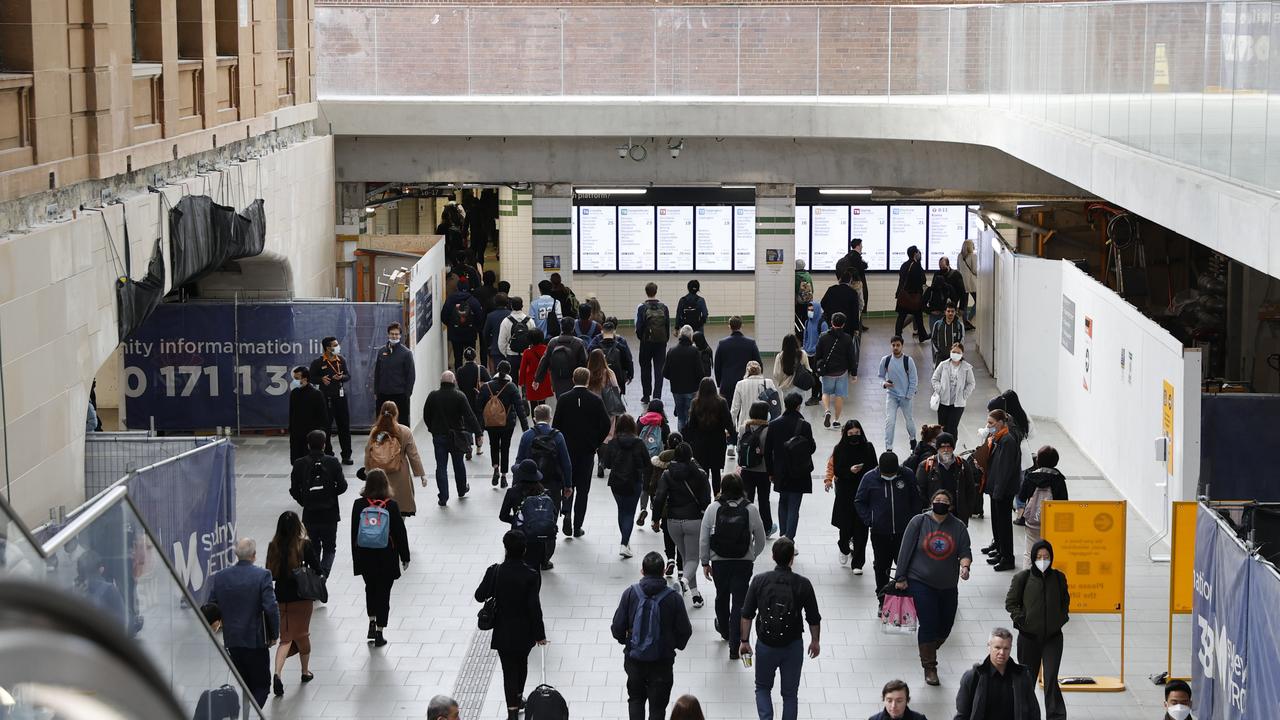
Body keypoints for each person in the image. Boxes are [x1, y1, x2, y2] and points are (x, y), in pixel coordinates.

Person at [894, 489, 973, 686]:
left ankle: (927, 647)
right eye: (937, 500)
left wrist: (965, 567)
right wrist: (900, 576)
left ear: (951, 506)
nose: (940, 503)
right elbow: (905, 549)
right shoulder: (919, 522)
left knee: (945, 627)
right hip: (920, 581)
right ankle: (930, 667)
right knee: (928, 624)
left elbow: (965, 551)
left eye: (944, 501)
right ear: (931, 502)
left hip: (948, 584)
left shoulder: (958, 527)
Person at [740, 537, 821, 720]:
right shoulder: (803, 584)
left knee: (762, 687)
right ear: (792, 558)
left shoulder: (759, 581)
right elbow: (813, 618)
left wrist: (744, 641)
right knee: (790, 694)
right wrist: (815, 641)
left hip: (766, 645)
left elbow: (747, 614)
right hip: (792, 645)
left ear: (773, 556)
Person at [610, 551, 693, 720]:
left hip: (635, 660)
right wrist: (673, 644)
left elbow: (617, 627)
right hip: (662, 662)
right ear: (663, 571)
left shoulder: (630, 593)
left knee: (636, 700)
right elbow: (685, 630)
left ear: (642, 571)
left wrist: (626, 641)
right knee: (657, 708)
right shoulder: (674, 598)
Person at [475, 530, 547, 720]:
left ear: (505, 549)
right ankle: (518, 697)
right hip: (525, 632)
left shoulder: (495, 571)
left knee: (508, 671)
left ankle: (512, 713)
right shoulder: (531, 575)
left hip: (503, 630)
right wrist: (540, 635)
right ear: (524, 550)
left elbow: (479, 595)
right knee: (521, 665)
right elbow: (534, 608)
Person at [699, 472, 767, 658]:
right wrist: (751, 554)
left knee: (721, 597)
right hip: (743, 563)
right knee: (739, 602)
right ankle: (735, 645)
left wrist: (705, 561)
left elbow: (704, 538)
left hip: (719, 562)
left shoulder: (713, 508)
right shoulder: (750, 509)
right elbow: (760, 539)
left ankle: (725, 631)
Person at [206, 538, 279, 707]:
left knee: (244, 685)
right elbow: (271, 607)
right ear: (253, 555)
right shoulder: (263, 576)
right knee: (261, 686)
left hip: (232, 640)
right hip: (256, 641)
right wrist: (274, 633)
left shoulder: (221, 577)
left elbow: (212, 606)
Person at [1005, 539, 1069, 720]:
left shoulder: (1058, 578)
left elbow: (1065, 601)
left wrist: (1061, 619)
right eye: (1039, 556)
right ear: (1033, 558)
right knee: (1027, 680)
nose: (1043, 560)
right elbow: (1011, 603)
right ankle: (1025, 715)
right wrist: (1021, 620)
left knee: (1051, 678)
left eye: (1046, 556)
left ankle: (1056, 715)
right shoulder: (1022, 578)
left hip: (1053, 638)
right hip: (1028, 639)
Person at [351, 469, 410, 647]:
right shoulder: (391, 505)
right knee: (384, 594)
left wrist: (356, 559)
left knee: (370, 588)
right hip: (387, 556)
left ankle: (371, 620)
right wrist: (405, 557)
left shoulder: (359, 504)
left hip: (365, 555)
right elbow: (400, 533)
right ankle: (379, 632)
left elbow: (354, 533)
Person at [265, 511, 319, 696]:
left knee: (289, 636)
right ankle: (296, 672)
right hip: (302, 598)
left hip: (281, 597)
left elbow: (269, 572)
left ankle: (289, 672)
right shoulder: (304, 545)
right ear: (298, 526)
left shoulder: (273, 546)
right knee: (299, 635)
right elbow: (317, 568)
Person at [652, 443, 712, 607]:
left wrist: (656, 519)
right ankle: (683, 583)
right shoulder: (700, 474)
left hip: (672, 522)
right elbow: (707, 501)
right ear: (691, 456)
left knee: (686, 558)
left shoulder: (667, 474)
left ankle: (695, 595)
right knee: (693, 559)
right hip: (693, 521)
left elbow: (659, 498)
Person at [855, 452, 923, 595]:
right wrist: (870, 520)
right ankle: (882, 598)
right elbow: (859, 501)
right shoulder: (869, 478)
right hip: (880, 533)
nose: (889, 476)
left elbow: (916, 499)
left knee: (906, 566)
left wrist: (914, 520)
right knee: (881, 567)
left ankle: (905, 598)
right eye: (886, 474)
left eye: (892, 473)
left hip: (904, 532)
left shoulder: (907, 474)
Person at [554, 367, 611, 537]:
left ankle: (566, 512)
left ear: (573, 379)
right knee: (583, 491)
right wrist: (596, 442)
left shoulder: (564, 399)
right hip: (587, 451)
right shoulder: (595, 400)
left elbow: (556, 425)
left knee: (567, 484)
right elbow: (606, 424)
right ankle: (577, 525)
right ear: (587, 381)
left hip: (567, 451)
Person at [288, 429, 348, 577]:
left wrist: (304, 501)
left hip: (310, 514)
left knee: (312, 548)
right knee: (329, 549)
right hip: (330, 514)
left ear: (308, 445)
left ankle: (315, 576)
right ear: (324, 444)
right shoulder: (332, 462)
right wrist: (331, 495)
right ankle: (323, 575)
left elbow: (294, 490)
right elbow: (343, 486)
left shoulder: (299, 464)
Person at [422, 371, 482, 507]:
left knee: (441, 467)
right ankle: (461, 490)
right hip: (457, 436)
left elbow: (426, 415)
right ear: (454, 381)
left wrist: (432, 429)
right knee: (458, 464)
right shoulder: (459, 396)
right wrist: (478, 432)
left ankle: (443, 497)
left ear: (441, 381)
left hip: (439, 436)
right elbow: (470, 416)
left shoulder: (433, 396)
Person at [825, 420, 877, 574]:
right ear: (845, 434)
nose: (854, 436)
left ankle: (858, 563)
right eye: (851, 434)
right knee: (845, 526)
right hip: (845, 494)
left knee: (862, 528)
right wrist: (849, 471)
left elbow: (874, 467)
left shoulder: (868, 447)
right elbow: (837, 470)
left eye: (857, 433)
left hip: (864, 493)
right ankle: (844, 546)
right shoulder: (839, 449)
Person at [955, 628, 1041, 720]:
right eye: (997, 647)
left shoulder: (1022, 675)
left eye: (1006, 648)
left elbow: (1034, 711)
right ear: (989, 646)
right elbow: (962, 714)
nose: (1002, 653)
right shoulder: (972, 677)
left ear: (1011, 648)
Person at [516, 404, 574, 540]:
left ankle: (532, 537)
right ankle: (548, 540)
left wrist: (517, 483)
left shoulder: (527, 435)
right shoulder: (558, 436)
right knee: (552, 513)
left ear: (534, 418)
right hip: (553, 482)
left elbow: (519, 461)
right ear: (550, 417)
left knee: (529, 512)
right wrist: (568, 485)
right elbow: (566, 463)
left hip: (531, 483)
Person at [763, 392, 816, 541]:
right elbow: (811, 448)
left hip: (780, 471)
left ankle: (782, 535)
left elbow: (767, 451)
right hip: (799, 471)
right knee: (794, 506)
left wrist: (770, 471)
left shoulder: (774, 424)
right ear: (799, 406)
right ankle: (789, 539)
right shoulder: (804, 425)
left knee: (783, 502)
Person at [601, 413, 653, 557]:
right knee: (630, 512)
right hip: (634, 481)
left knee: (622, 510)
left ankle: (625, 540)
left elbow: (607, 464)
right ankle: (624, 543)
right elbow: (647, 464)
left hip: (616, 481)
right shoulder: (639, 443)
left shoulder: (613, 443)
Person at [477, 361, 529, 489]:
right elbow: (520, 409)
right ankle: (504, 476)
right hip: (507, 423)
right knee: (505, 447)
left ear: (496, 370)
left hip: (491, 423)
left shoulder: (486, 387)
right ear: (509, 372)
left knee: (493, 445)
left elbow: (478, 408)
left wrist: (480, 429)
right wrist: (525, 429)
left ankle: (495, 468)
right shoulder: (511, 387)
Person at [982, 409, 1023, 572]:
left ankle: (1007, 557)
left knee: (1004, 524)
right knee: (998, 522)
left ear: (1001, 423)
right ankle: (1000, 551)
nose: (988, 426)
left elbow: (1004, 469)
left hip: (1003, 491)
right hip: (996, 488)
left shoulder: (1007, 441)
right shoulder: (999, 438)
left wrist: (998, 490)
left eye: (991, 423)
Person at [500, 459, 559, 571]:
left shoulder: (512, 492)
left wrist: (517, 520)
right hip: (537, 538)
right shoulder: (544, 493)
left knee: (517, 568)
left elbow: (503, 516)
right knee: (535, 570)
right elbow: (553, 515)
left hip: (518, 537)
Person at [1016, 447, 1069, 566]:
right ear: (1056, 461)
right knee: (1050, 552)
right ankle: (1047, 579)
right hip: (1052, 523)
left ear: (1038, 460)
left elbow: (1021, 497)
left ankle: (1028, 580)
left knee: (1029, 552)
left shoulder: (1031, 477)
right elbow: (1064, 503)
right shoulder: (1059, 479)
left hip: (1033, 521)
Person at [684, 377, 736, 494]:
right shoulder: (721, 402)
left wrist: (690, 441)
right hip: (717, 443)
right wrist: (734, 437)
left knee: (703, 472)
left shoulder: (696, 403)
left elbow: (691, 425)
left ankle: (704, 497)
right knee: (716, 472)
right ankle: (717, 496)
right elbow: (728, 423)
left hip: (700, 443)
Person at [917, 434, 978, 524]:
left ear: (953, 448)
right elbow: (920, 492)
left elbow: (970, 489)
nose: (945, 450)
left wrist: (967, 511)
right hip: (934, 515)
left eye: (948, 446)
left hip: (957, 515)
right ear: (937, 448)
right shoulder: (926, 466)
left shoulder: (962, 465)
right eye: (942, 447)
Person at [814, 312, 860, 431]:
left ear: (831, 322)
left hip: (827, 372)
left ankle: (827, 410)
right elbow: (852, 357)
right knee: (839, 396)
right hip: (841, 372)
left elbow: (817, 354)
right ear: (843, 324)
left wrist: (816, 368)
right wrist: (854, 373)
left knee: (826, 392)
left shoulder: (823, 337)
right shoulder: (847, 338)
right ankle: (836, 420)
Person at [309, 336, 352, 464]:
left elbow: (348, 376)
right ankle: (328, 454)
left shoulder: (341, 360)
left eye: (337, 344)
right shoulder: (318, 362)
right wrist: (321, 379)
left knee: (344, 426)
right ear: (327, 348)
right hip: (325, 399)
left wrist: (342, 377)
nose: (337, 346)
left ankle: (346, 455)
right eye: (335, 345)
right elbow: (311, 377)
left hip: (341, 397)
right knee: (325, 428)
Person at [737, 400, 775, 537]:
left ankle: (745, 526)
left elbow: (739, 448)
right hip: (763, 471)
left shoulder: (743, 428)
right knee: (764, 500)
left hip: (746, 470)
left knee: (747, 500)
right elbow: (771, 453)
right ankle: (767, 528)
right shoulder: (769, 430)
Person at [878, 336, 920, 452]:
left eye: (898, 345)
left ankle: (912, 440)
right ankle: (889, 448)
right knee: (890, 421)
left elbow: (913, 379)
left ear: (902, 346)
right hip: (891, 396)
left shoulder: (908, 361)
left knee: (909, 420)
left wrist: (909, 395)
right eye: (893, 345)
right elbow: (880, 376)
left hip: (906, 397)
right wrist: (884, 383)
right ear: (890, 345)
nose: (895, 347)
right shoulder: (885, 360)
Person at [635, 282, 672, 404]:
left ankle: (646, 395)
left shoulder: (642, 308)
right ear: (656, 291)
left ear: (646, 292)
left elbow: (639, 326)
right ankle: (657, 396)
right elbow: (667, 325)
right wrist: (665, 339)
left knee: (645, 368)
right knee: (659, 368)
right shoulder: (664, 307)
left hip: (646, 342)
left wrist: (642, 338)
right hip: (661, 342)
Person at [536, 317, 590, 400]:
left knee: (561, 400)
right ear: (573, 327)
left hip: (557, 378)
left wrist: (537, 379)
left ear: (561, 327)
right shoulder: (578, 343)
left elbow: (545, 361)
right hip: (573, 379)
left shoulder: (553, 342)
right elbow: (584, 362)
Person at [714, 316, 762, 407]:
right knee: (744, 410)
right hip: (746, 382)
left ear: (729, 326)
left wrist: (719, 383)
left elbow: (717, 366)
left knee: (728, 413)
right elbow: (759, 364)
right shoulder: (750, 343)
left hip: (727, 384)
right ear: (741, 326)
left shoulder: (722, 344)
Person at [373, 322, 415, 425]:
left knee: (402, 423)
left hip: (400, 395)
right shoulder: (381, 351)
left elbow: (411, 375)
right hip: (383, 394)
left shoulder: (406, 353)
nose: (394, 336)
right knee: (382, 422)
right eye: (392, 334)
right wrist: (376, 391)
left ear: (400, 335)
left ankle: (401, 441)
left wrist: (407, 394)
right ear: (388, 334)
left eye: (396, 334)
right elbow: (377, 372)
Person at [663, 325, 703, 431]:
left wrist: (675, 378)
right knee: (691, 416)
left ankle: (681, 440)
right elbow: (700, 373)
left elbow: (665, 372)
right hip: (691, 389)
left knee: (681, 417)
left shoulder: (671, 351)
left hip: (677, 390)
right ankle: (690, 439)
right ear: (691, 337)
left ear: (680, 335)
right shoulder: (694, 352)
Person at [931, 342, 976, 438]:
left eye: (958, 352)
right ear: (950, 352)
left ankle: (951, 448)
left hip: (958, 404)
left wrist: (965, 395)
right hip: (943, 402)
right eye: (953, 351)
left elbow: (971, 383)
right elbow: (934, 378)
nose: (955, 354)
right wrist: (940, 390)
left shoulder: (966, 367)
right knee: (942, 427)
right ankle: (942, 447)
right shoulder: (943, 365)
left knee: (952, 427)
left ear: (962, 354)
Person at [455, 346, 492, 458]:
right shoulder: (481, 369)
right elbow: (489, 382)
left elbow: (459, 385)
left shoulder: (460, 370)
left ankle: (468, 447)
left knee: (466, 425)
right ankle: (479, 448)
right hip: (478, 401)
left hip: (465, 401)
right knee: (479, 424)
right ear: (475, 357)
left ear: (464, 357)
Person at [287, 366, 328, 464]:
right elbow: (291, 412)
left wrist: (320, 433)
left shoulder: (317, 394)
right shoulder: (294, 393)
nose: (294, 381)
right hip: (296, 434)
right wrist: (291, 429)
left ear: (305, 379)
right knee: (296, 461)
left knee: (310, 462)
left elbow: (323, 416)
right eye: (294, 379)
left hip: (311, 435)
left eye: (297, 379)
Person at [443, 278, 485, 369]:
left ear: (457, 287)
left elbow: (443, 316)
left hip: (455, 334)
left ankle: (459, 378)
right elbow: (480, 317)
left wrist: (451, 326)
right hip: (470, 334)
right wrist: (475, 329)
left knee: (457, 358)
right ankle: (471, 376)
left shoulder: (450, 300)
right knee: (470, 358)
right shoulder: (473, 301)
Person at [589, 317, 636, 396]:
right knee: (616, 396)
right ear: (614, 331)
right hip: (618, 375)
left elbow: (589, 353)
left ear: (602, 331)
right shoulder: (621, 342)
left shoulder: (596, 341)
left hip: (599, 375)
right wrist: (630, 374)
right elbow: (628, 359)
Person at [730, 361, 776, 432]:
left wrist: (730, 426)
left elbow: (735, 409)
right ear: (760, 370)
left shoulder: (740, 384)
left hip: (745, 426)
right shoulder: (768, 382)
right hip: (765, 425)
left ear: (747, 371)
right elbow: (776, 403)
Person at [894, 245, 928, 341]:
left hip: (903, 295)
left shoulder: (904, 265)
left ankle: (898, 335)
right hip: (913, 296)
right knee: (918, 315)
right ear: (915, 254)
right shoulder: (916, 266)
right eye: (918, 252)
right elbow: (922, 280)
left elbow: (901, 280)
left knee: (901, 316)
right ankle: (922, 335)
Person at [800, 298, 828, 406]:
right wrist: (805, 348)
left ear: (816, 310)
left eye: (812, 309)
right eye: (809, 309)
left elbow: (825, 341)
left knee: (814, 376)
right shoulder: (807, 322)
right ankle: (820, 392)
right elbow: (805, 336)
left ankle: (814, 397)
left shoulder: (822, 323)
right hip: (808, 353)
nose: (810, 311)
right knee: (812, 375)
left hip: (817, 354)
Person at [519, 329, 553, 410]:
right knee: (543, 402)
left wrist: (521, 382)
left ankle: (535, 421)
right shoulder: (546, 349)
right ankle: (543, 419)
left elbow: (522, 368)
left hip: (531, 380)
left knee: (533, 403)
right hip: (544, 378)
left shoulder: (527, 352)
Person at [498, 296, 535, 372]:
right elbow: (534, 339)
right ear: (522, 306)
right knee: (525, 380)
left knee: (513, 380)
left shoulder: (506, 321)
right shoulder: (530, 321)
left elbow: (501, 342)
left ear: (511, 306)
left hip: (511, 355)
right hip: (526, 354)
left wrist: (506, 353)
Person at [483, 292, 512, 372]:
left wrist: (489, 345)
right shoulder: (511, 315)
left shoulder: (490, 316)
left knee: (496, 373)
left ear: (495, 302)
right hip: (510, 349)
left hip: (495, 348)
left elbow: (485, 333)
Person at [929, 303, 965, 367]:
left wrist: (957, 351)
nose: (950, 313)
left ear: (955, 312)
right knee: (939, 376)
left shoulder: (959, 325)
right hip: (940, 357)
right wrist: (938, 352)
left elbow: (962, 339)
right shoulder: (938, 324)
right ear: (945, 312)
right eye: (948, 311)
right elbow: (933, 339)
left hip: (954, 356)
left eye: (952, 311)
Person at [958, 240, 978, 329]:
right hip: (971, 283)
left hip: (962, 283)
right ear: (970, 246)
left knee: (964, 303)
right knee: (978, 301)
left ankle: (965, 323)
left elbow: (958, 268)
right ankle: (969, 319)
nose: (974, 246)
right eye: (973, 245)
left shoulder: (959, 256)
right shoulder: (973, 256)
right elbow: (974, 270)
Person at [794, 258, 815, 337]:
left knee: (798, 317)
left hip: (799, 302)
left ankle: (799, 334)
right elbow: (812, 289)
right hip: (809, 301)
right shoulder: (808, 275)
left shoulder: (795, 276)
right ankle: (807, 334)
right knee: (807, 318)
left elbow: (794, 289)